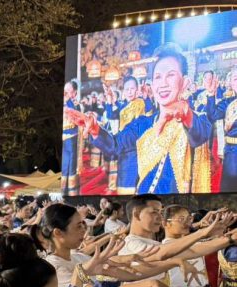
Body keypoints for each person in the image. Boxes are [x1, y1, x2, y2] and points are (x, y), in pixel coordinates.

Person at [69, 44, 213, 195]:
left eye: (170, 75)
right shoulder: (143, 123)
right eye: (158, 77)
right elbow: (115, 145)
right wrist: (95, 129)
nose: (163, 83)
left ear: (184, 83)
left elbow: (199, 135)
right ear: (153, 84)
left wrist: (186, 115)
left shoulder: (197, 120)